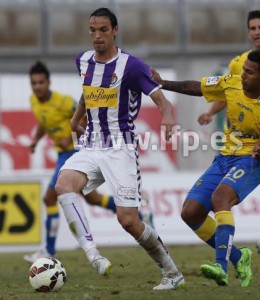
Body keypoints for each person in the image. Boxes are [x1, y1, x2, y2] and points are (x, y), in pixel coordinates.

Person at [54, 8, 184, 290]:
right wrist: (77, 118)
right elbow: (88, 92)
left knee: (128, 221)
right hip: (91, 143)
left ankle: (172, 272)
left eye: (103, 30)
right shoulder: (84, 61)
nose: (97, 36)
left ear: (115, 30)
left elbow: (162, 101)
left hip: (119, 148)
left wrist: (169, 119)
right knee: (63, 185)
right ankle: (94, 256)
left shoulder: (132, 66)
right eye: (92, 30)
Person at [151, 50, 260, 287]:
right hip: (225, 157)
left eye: (249, 72)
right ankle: (238, 256)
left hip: (253, 162)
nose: (243, 75)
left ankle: (220, 266)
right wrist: (164, 84)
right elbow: (197, 87)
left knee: (220, 198)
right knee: (190, 212)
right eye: (243, 69)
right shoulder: (231, 83)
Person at [24, 61, 155, 264]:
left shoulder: (63, 102)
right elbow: (43, 122)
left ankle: (49, 251)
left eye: (41, 82)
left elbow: (87, 114)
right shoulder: (34, 101)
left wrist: (71, 137)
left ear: (48, 83)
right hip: (62, 154)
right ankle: (141, 215)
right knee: (93, 199)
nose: (38, 86)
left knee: (50, 198)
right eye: (34, 83)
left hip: (74, 150)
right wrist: (35, 140)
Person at [197, 10, 260, 275]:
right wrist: (210, 112)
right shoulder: (240, 62)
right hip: (251, 149)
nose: (257, 32)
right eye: (253, 28)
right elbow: (228, 91)